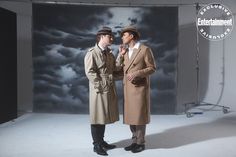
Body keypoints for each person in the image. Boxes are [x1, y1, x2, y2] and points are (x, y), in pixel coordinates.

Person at [117, 25, 156, 153]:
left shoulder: (144, 50)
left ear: (131, 36)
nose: (122, 37)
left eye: (124, 35)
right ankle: (134, 141)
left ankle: (141, 143)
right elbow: (118, 68)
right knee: (131, 116)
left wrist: (137, 73)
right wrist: (120, 55)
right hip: (128, 88)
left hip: (139, 88)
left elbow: (152, 68)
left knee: (139, 116)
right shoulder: (125, 51)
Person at [84, 26, 121, 156]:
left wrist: (121, 56)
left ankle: (101, 141)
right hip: (98, 90)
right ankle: (96, 145)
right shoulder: (92, 52)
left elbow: (115, 69)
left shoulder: (109, 53)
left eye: (111, 36)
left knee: (103, 115)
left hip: (109, 87)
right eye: (109, 36)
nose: (112, 38)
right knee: (96, 117)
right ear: (101, 37)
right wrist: (101, 85)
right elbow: (90, 72)